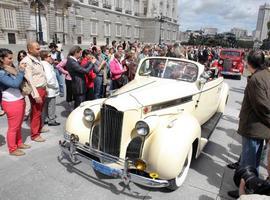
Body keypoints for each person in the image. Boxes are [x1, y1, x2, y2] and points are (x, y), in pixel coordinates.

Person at [228, 50, 270, 198]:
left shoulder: (256, 79)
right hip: (258, 128)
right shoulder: (265, 75)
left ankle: (246, 191)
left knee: (248, 164)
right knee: (254, 162)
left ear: (249, 62)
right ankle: (250, 188)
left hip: (253, 128)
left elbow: (263, 106)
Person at [0, 48, 31, 156]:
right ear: (1, 59)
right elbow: (14, 84)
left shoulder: (9, 68)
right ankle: (12, 149)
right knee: (13, 127)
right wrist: (21, 71)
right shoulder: (1, 72)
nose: (12, 60)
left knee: (18, 125)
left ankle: (19, 143)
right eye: (9, 58)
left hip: (18, 99)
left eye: (12, 57)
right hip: (11, 102)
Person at [21, 42, 47, 142]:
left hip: (42, 88)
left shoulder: (37, 58)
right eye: (37, 48)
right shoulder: (27, 61)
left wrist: (46, 88)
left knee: (39, 111)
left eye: (39, 48)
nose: (39, 50)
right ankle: (35, 135)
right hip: (36, 90)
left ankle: (39, 128)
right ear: (30, 50)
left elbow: (42, 75)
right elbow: (29, 80)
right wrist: (36, 95)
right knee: (36, 113)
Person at [40, 50, 60, 126]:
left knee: (45, 105)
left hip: (47, 88)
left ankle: (46, 118)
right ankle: (51, 120)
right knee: (51, 105)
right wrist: (55, 86)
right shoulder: (46, 65)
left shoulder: (44, 64)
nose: (51, 57)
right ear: (45, 57)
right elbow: (49, 78)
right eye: (49, 56)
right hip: (50, 88)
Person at [17, 50, 30, 121]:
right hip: (24, 84)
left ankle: (27, 113)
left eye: (23, 56)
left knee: (28, 99)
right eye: (20, 56)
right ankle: (26, 113)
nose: (21, 57)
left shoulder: (28, 63)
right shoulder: (20, 64)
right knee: (26, 99)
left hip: (29, 84)